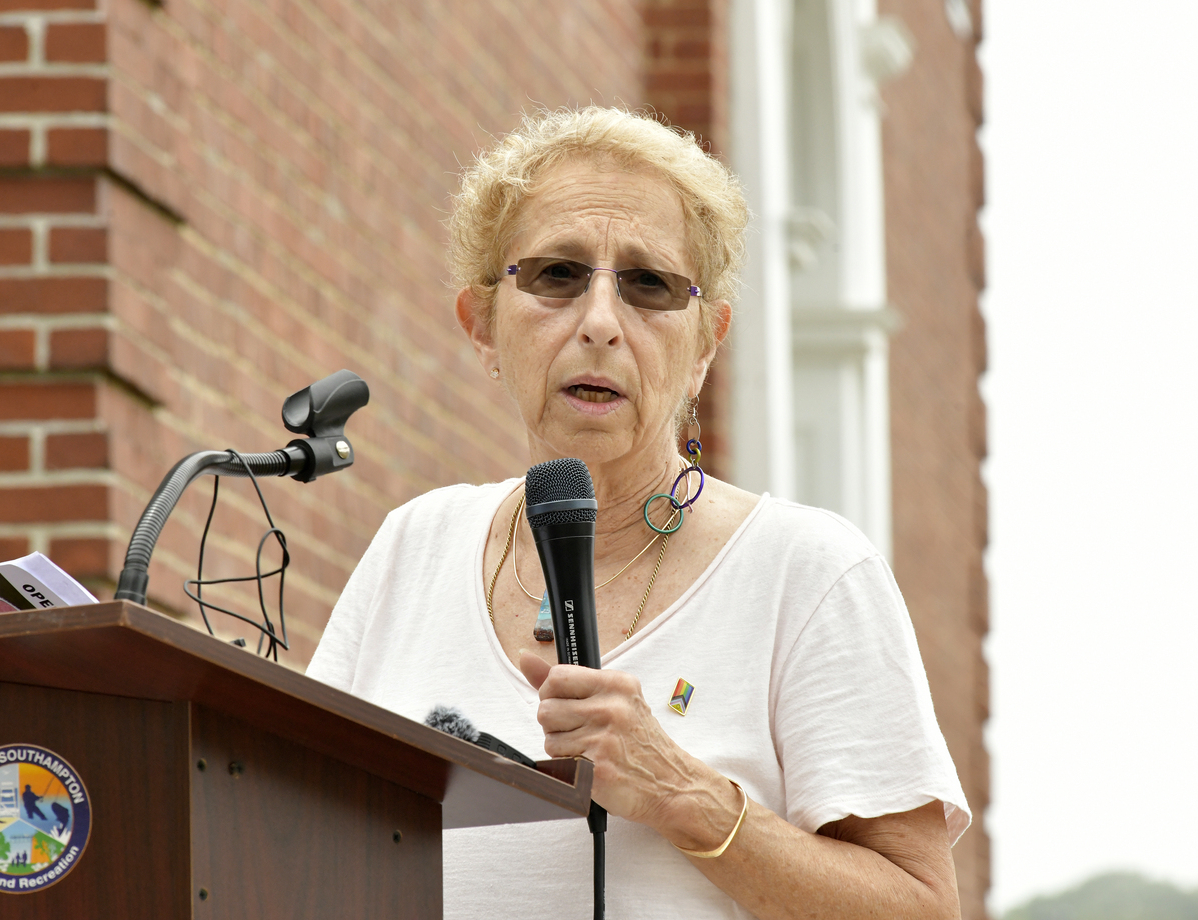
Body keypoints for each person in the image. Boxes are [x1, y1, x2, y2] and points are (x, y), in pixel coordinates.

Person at [308, 107, 969, 919]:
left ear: (705, 348)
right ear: (481, 326)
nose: (598, 323)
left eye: (648, 285)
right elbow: (292, 826)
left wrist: (685, 795)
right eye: (556, 275)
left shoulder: (809, 572)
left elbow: (922, 908)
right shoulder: (414, 546)